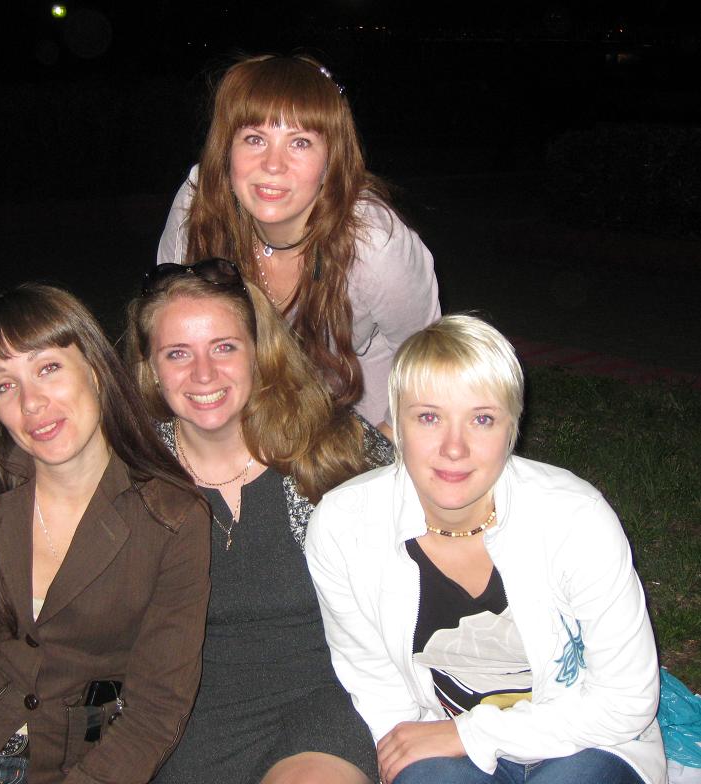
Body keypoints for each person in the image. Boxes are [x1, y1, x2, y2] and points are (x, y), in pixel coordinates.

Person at [0, 284, 211, 784]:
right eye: (4, 386)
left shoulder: (171, 518)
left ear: (95, 368)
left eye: (48, 368)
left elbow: (158, 708)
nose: (31, 403)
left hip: (78, 763)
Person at [305, 315, 666, 784]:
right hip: (438, 737)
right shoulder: (344, 527)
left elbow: (626, 700)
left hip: (585, 736)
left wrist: (471, 733)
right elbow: (377, 689)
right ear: (395, 425)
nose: (454, 448)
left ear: (513, 427)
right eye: (429, 417)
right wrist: (427, 748)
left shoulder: (575, 518)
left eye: (482, 419)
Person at [124, 258, 394, 783]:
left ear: (259, 352)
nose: (204, 374)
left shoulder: (333, 448)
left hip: (324, 703)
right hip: (179, 719)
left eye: (224, 347)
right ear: (151, 368)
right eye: (178, 353)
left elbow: (442, 525)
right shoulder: (131, 474)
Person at [157, 54, 441, 430]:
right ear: (226, 150)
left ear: (331, 161)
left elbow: (430, 355)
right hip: (249, 405)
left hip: (359, 408)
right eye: (255, 139)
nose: (273, 164)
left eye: (300, 142)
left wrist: (383, 444)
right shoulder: (199, 204)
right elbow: (166, 322)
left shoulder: (375, 244)